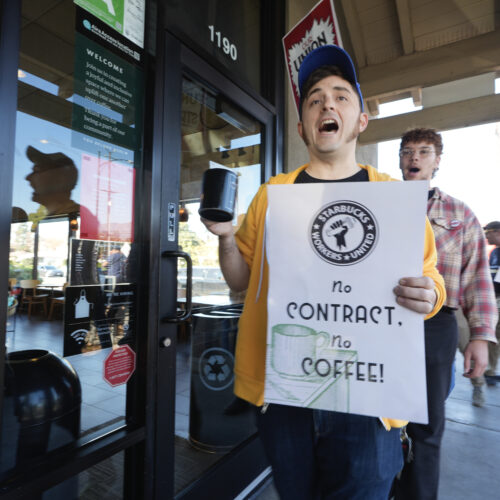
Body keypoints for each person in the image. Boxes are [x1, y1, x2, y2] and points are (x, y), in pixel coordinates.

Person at [201, 45, 445, 499]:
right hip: (287, 390)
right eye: (314, 100)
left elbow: (431, 279)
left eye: (340, 96)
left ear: (360, 121)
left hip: (369, 395)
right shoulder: (274, 193)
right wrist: (225, 237)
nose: (327, 104)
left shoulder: (393, 196)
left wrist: (430, 294)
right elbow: (240, 281)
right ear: (302, 127)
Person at [395, 128, 498, 500]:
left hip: (434, 325)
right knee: (374, 417)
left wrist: (481, 338)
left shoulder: (459, 213)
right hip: (377, 320)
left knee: (426, 424)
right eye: (408, 152)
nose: (414, 158)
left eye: (424, 152)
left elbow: (477, 279)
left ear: (437, 161)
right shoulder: (378, 201)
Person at [483, 221, 500, 383]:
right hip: (494, 299)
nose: (486, 236)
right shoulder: (495, 252)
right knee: (493, 336)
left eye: (489, 233)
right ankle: (490, 371)